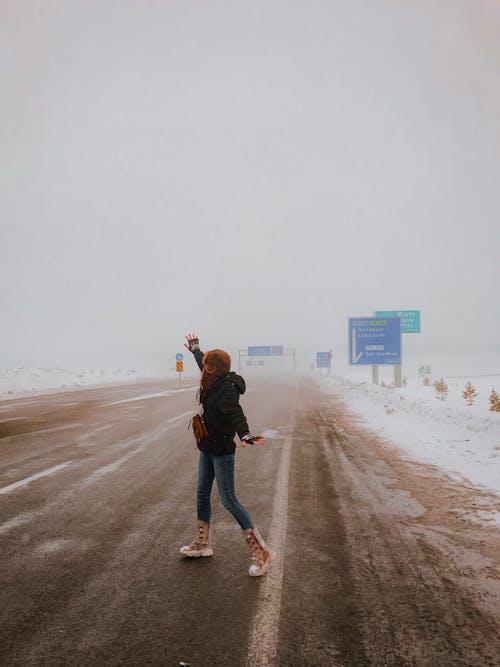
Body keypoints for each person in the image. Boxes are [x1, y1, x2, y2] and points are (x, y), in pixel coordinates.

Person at [180, 333, 275, 577]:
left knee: (229, 499)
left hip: (222, 450)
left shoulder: (226, 389)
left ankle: (262, 551)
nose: (203, 369)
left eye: (207, 365)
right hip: (207, 448)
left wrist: (244, 434)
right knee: (202, 493)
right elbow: (204, 362)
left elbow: (235, 412)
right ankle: (203, 544)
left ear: (215, 369)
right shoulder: (214, 380)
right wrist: (196, 351)